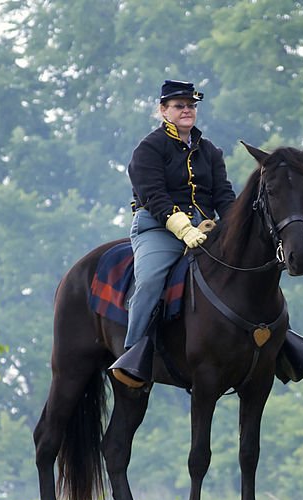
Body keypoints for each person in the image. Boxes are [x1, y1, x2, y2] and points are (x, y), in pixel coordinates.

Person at [109, 79, 236, 387]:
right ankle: (134, 355)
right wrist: (182, 228)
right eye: (179, 106)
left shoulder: (210, 152)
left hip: (207, 229)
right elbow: (153, 196)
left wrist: (236, 226)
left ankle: (278, 344)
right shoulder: (149, 149)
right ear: (163, 110)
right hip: (158, 228)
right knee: (151, 280)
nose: (186, 111)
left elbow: (223, 195)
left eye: (191, 106)